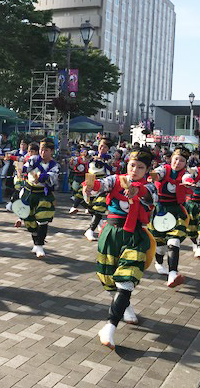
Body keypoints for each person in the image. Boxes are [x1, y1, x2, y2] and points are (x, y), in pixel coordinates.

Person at [83, 149, 157, 349]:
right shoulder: (116, 179)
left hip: (135, 237)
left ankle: (110, 327)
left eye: (141, 167)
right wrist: (91, 187)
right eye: (132, 165)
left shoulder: (150, 186)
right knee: (108, 279)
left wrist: (136, 190)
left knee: (126, 280)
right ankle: (126, 307)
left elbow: (149, 196)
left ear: (147, 169)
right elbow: (101, 184)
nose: (135, 170)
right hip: (111, 234)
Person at [148, 147, 191, 288]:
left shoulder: (185, 174)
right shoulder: (164, 169)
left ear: (185, 163)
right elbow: (157, 175)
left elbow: (187, 178)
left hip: (176, 211)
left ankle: (173, 273)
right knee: (159, 244)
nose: (178, 162)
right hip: (159, 210)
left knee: (174, 241)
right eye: (176, 159)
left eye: (182, 160)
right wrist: (152, 176)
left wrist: (190, 182)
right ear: (171, 158)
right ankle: (159, 263)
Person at [22, 138, 60, 258]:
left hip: (43, 194)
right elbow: (25, 167)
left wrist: (43, 177)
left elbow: (52, 178)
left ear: (52, 151)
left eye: (46, 150)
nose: (43, 152)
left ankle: (40, 245)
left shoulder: (54, 165)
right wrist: (22, 169)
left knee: (43, 219)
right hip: (29, 192)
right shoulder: (33, 159)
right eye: (41, 150)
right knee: (28, 219)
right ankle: (35, 241)